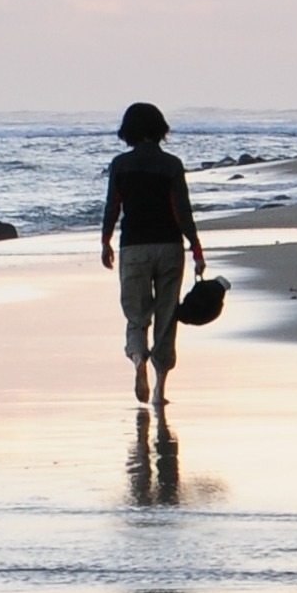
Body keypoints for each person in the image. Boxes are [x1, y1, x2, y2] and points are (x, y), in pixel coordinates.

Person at [97, 101, 203, 407]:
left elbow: (112, 207)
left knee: (136, 315)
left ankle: (138, 361)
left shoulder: (120, 165)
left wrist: (105, 242)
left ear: (128, 131)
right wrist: (196, 248)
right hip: (169, 247)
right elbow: (182, 211)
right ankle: (159, 389)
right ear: (160, 129)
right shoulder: (171, 165)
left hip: (133, 248)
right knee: (167, 316)